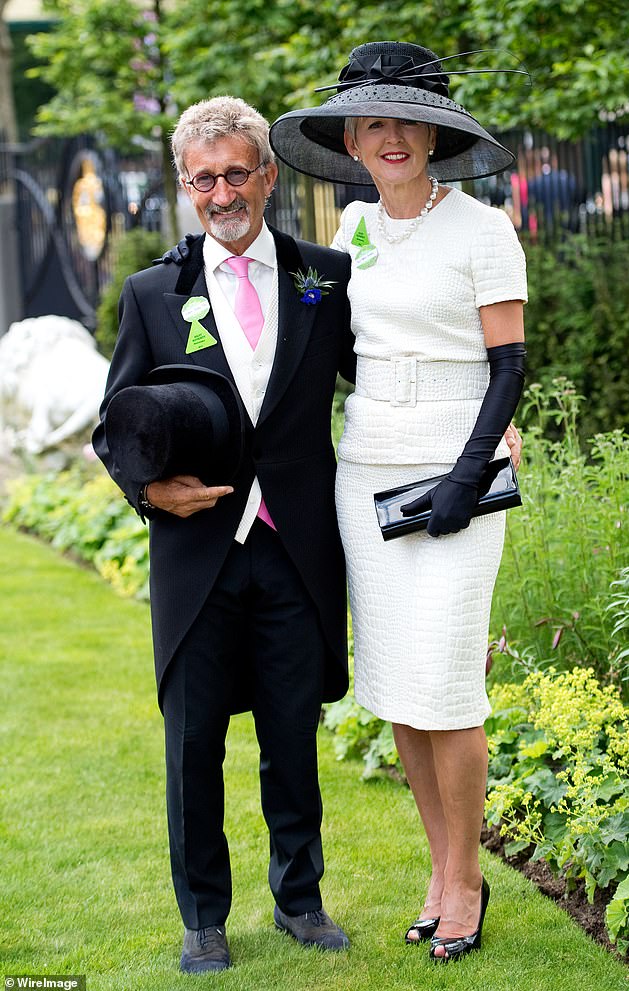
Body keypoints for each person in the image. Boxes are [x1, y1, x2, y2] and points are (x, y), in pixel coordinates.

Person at [269, 41, 528, 962]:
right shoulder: (351, 233)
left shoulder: (485, 229)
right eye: (371, 121)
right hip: (367, 461)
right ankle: (439, 868)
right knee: (399, 691)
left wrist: (468, 471)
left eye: (404, 121)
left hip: (457, 456)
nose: (388, 137)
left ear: (433, 133)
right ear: (352, 136)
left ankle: (468, 880)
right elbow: (339, 347)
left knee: (449, 685)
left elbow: (509, 362)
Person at [92, 95, 356, 973]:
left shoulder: (326, 275)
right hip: (197, 555)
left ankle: (301, 899)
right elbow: (112, 426)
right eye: (203, 179)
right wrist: (149, 491)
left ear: (269, 175)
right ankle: (204, 916)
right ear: (185, 186)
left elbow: (388, 370)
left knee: (291, 734)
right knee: (194, 739)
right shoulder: (151, 290)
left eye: (236, 173)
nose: (220, 193)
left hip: (294, 547)